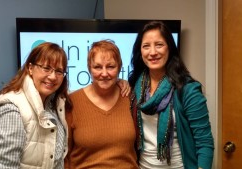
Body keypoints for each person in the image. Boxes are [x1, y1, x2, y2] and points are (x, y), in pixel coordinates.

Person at [129, 21, 214, 169]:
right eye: (146, 46)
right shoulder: (135, 87)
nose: (153, 52)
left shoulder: (188, 89)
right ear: (140, 51)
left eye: (159, 45)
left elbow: (204, 142)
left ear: (170, 48)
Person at [0, 42, 73, 169]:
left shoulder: (54, 105)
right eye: (46, 68)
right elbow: (1, 166)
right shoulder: (12, 109)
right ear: (30, 68)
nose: (53, 76)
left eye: (59, 71)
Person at [65, 40, 139, 169]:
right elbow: (64, 155)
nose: (104, 73)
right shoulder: (72, 102)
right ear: (89, 68)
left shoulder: (130, 98)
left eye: (110, 67)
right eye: (97, 67)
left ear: (119, 68)